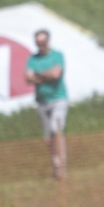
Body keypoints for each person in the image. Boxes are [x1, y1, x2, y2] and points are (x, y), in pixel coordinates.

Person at [25, 29, 69, 179]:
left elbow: (56, 74)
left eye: (43, 42)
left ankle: (62, 166)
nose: (41, 45)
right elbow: (28, 78)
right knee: (48, 137)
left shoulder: (57, 55)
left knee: (56, 130)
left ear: (48, 41)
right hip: (41, 101)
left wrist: (38, 75)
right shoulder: (33, 59)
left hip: (58, 99)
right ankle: (56, 166)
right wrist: (46, 75)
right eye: (38, 43)